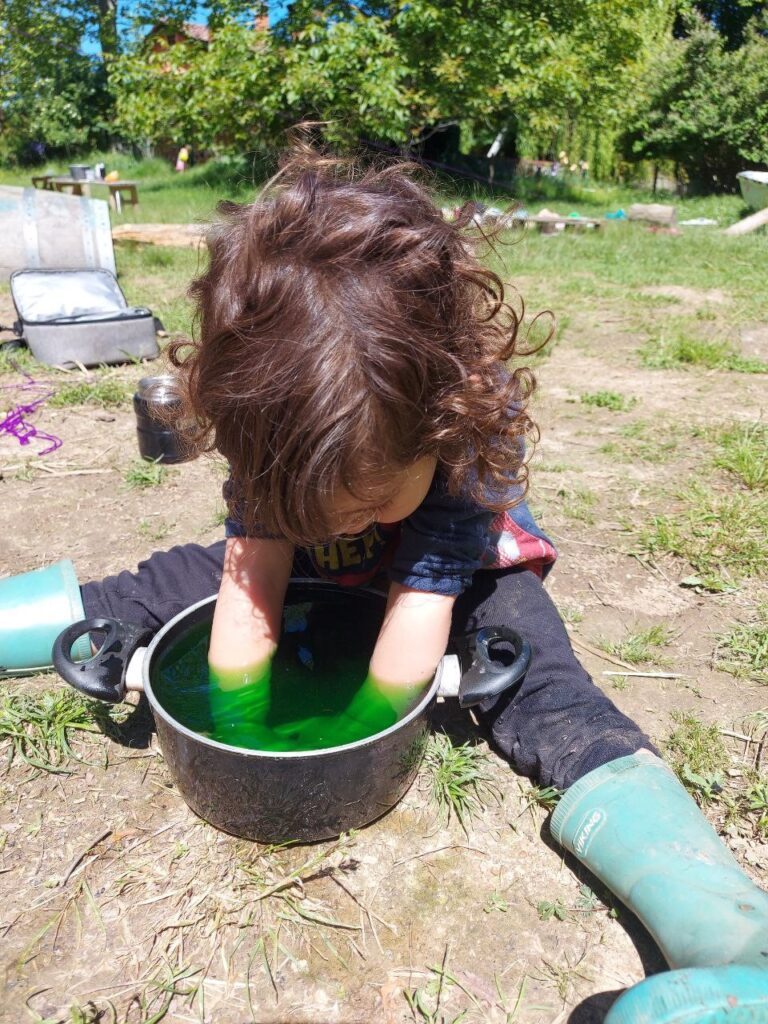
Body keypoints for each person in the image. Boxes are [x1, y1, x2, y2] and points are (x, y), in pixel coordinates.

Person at [2, 141, 766, 1023]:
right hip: (316, 556)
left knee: (544, 678)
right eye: (313, 505)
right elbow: (249, 593)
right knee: (160, 588)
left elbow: (417, 629)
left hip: (457, 570)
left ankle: (729, 933)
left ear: (440, 423)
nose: (337, 522)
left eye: (362, 502)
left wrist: (337, 742)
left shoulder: (463, 441)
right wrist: (242, 735)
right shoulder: (274, 425)